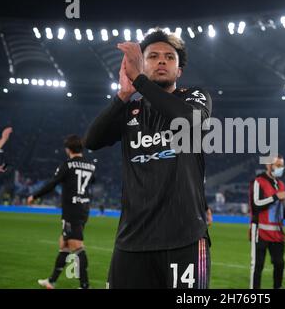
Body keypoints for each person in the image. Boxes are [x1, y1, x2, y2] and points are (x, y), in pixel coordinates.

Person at [84, 28, 212, 289]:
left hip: (185, 238)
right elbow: (92, 141)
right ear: (143, 64)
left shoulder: (194, 97)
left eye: (169, 57)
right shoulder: (130, 108)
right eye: (153, 56)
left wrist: (141, 81)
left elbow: (190, 120)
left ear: (179, 71)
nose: (162, 60)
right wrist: (122, 94)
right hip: (133, 239)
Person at [28, 135, 95, 289]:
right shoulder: (91, 166)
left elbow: (53, 183)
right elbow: (92, 181)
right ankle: (51, 281)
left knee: (77, 246)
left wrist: (35, 195)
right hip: (84, 209)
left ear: (68, 149)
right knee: (64, 244)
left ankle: (85, 286)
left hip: (72, 211)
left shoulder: (67, 165)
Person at [248, 155, 285, 289]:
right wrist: (276, 196)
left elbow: (277, 209)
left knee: (279, 263)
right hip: (260, 231)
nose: (281, 168)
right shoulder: (259, 181)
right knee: (258, 265)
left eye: (282, 166)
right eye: (278, 165)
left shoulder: (280, 184)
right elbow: (256, 204)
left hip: (277, 232)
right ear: (268, 166)